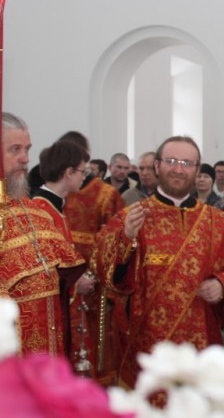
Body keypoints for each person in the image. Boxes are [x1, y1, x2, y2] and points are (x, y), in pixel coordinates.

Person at [94, 136, 224, 390]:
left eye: (187, 163)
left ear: (197, 170)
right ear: (157, 165)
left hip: (201, 346)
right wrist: (127, 238)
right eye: (171, 161)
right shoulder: (130, 218)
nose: (179, 169)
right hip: (147, 348)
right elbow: (105, 273)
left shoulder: (220, 223)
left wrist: (222, 285)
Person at [0, 113, 86, 356]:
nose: (25, 158)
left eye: (27, 149)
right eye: (15, 149)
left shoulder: (36, 211)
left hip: (48, 348)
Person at [61, 131, 126, 383]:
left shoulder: (107, 195)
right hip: (64, 282)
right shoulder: (58, 193)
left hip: (95, 285)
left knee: (98, 346)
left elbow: (117, 243)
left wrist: (95, 277)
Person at [31, 140, 96, 360]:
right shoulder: (39, 210)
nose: (84, 177)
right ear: (69, 172)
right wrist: (76, 283)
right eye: (82, 171)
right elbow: (41, 268)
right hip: (46, 312)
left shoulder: (55, 206)